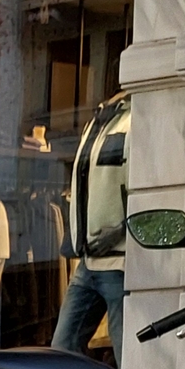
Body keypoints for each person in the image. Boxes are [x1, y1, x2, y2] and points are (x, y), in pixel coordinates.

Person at [54, 92, 131, 354]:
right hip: (87, 260)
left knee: (127, 355)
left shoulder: (134, 119)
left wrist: (123, 229)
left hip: (119, 262)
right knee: (62, 349)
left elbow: (151, 190)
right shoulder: (96, 123)